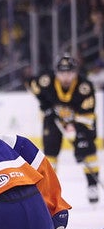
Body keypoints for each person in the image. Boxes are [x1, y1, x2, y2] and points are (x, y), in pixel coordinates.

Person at [26, 54, 99, 203]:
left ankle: (93, 185)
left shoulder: (85, 87)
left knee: (88, 149)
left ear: (76, 72)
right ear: (56, 73)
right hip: (53, 119)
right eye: (62, 73)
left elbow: (87, 117)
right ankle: (47, 188)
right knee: (50, 152)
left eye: (70, 73)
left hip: (80, 120)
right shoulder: (47, 80)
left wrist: (81, 139)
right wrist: (45, 105)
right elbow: (31, 84)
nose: (66, 77)